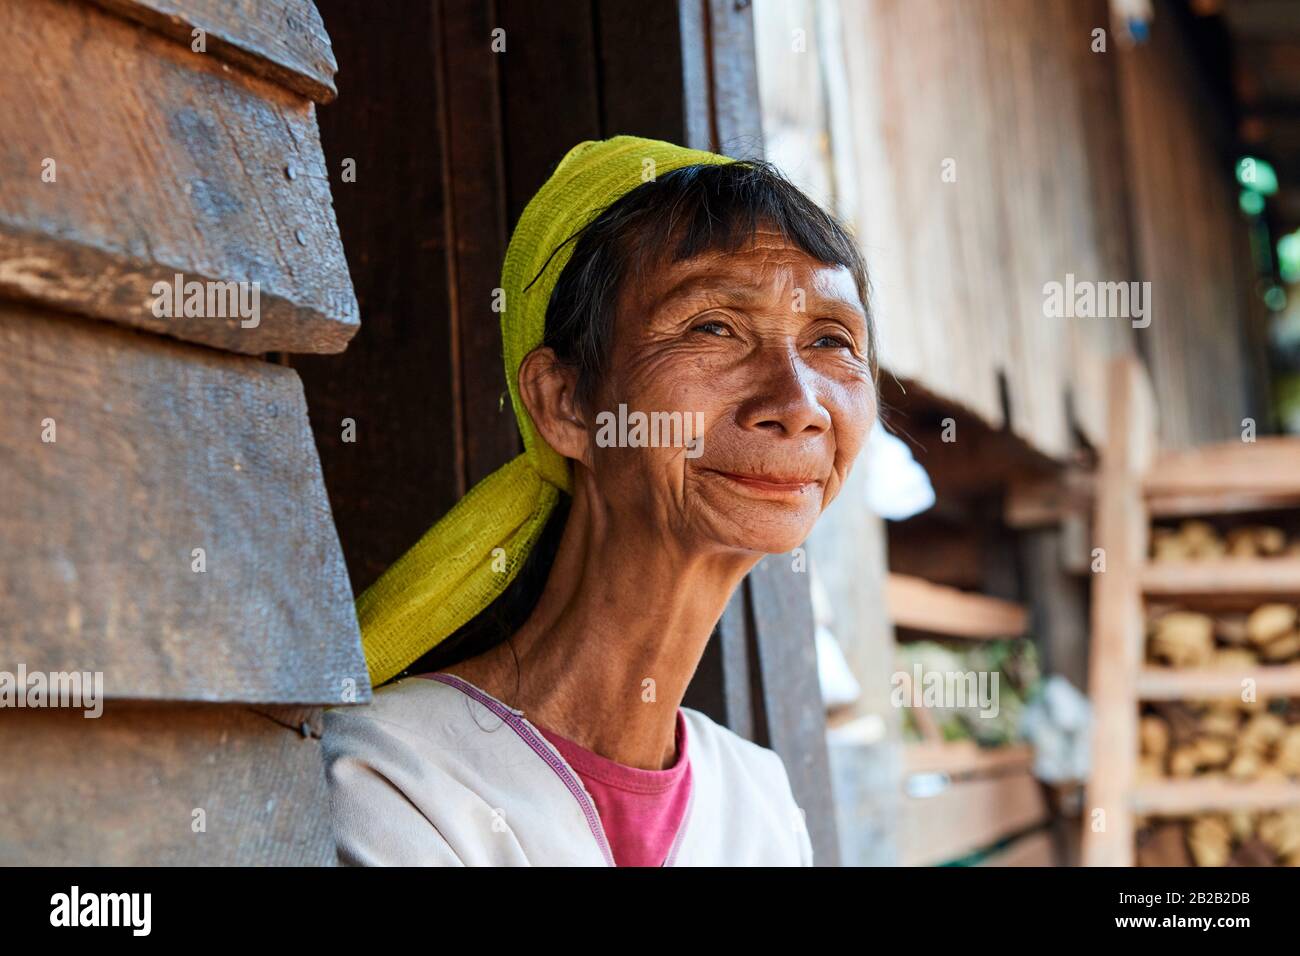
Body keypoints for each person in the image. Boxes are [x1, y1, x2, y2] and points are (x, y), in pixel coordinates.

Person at [322, 135, 878, 866]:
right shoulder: (393, 775)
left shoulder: (759, 799)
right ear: (567, 404)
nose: (797, 403)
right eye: (713, 327)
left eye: (832, 340)